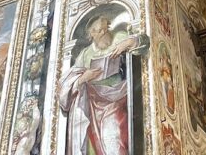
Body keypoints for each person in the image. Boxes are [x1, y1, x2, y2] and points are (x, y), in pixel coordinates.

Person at [59, 16, 144, 155]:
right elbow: (65, 83)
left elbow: (144, 42)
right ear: (91, 34)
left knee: (117, 138)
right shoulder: (85, 54)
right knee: (107, 139)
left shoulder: (119, 37)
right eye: (100, 31)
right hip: (95, 104)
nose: (105, 34)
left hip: (121, 96)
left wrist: (130, 42)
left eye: (106, 29)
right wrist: (82, 79)